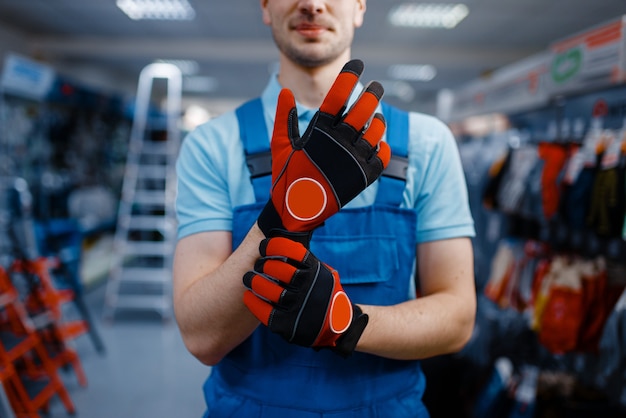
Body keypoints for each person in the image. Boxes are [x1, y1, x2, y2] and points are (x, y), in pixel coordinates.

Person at [173, 0, 477, 416]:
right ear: (265, 7)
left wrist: (347, 325)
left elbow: (458, 319)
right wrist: (283, 220)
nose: (312, 4)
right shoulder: (210, 146)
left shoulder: (427, 144)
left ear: (359, 6)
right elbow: (201, 337)